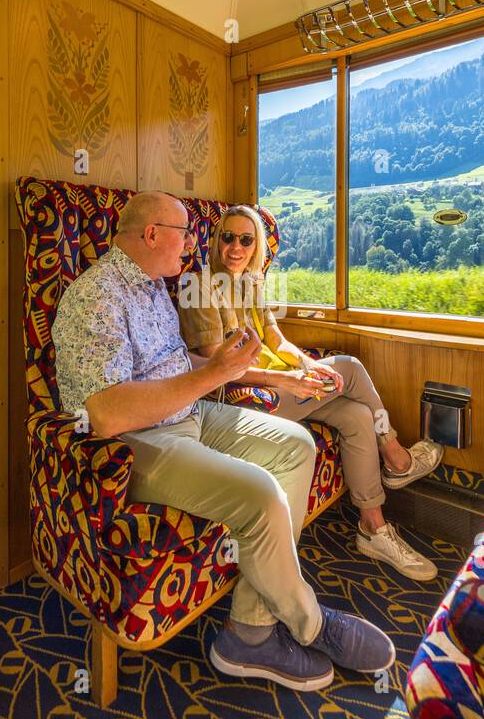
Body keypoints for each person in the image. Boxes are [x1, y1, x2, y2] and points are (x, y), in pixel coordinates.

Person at [52, 191, 395, 692]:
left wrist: (216, 371)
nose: (194, 243)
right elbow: (103, 414)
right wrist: (219, 373)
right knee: (260, 494)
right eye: (186, 233)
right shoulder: (96, 295)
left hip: (191, 411)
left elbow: (176, 366)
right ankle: (310, 624)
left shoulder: (152, 287)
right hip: (139, 441)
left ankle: (249, 630)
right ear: (152, 235)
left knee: (297, 445)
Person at [177, 205, 442, 581]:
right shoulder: (200, 288)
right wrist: (285, 381)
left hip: (279, 385)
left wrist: (304, 364)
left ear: (257, 247)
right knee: (348, 366)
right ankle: (396, 456)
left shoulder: (250, 285)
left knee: (355, 415)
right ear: (216, 241)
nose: (235, 247)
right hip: (246, 400)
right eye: (227, 237)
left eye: (246, 239)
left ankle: (373, 528)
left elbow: (277, 341)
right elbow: (218, 369)